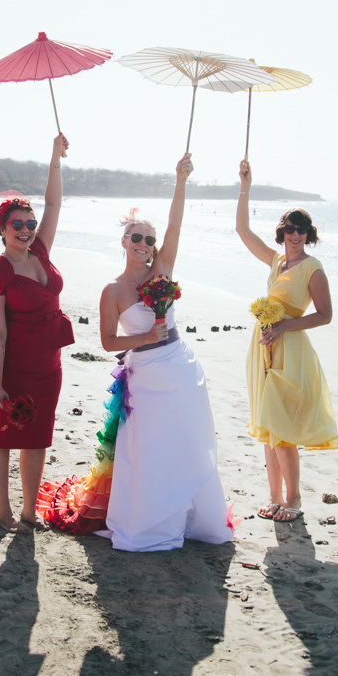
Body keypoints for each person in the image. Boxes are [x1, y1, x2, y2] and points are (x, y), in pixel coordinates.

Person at [91, 153, 233, 552]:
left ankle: (190, 518)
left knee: (186, 441)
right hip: (146, 376)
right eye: (136, 237)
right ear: (124, 242)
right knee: (149, 450)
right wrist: (146, 338)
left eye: (149, 240)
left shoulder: (162, 272)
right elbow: (107, 343)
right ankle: (151, 522)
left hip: (181, 367)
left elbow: (176, 224)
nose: (144, 244)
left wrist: (180, 180)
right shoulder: (113, 291)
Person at [0, 139, 74, 534]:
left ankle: (29, 512)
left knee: (37, 439)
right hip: (11, 368)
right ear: (2, 229)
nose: (27, 230)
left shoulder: (42, 252)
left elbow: (53, 205)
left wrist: (54, 159)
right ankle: (3, 512)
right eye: (17, 225)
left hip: (48, 366)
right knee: (1, 438)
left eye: (30, 225)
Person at [236, 160, 338, 522]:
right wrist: (245, 185)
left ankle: (294, 500)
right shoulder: (275, 261)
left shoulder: (314, 268)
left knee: (281, 426)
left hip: (290, 349)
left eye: (302, 230)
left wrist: (283, 326)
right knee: (267, 426)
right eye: (290, 229)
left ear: (308, 234)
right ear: (282, 233)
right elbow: (241, 229)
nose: (295, 235)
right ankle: (274, 496)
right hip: (263, 349)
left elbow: (325, 314)